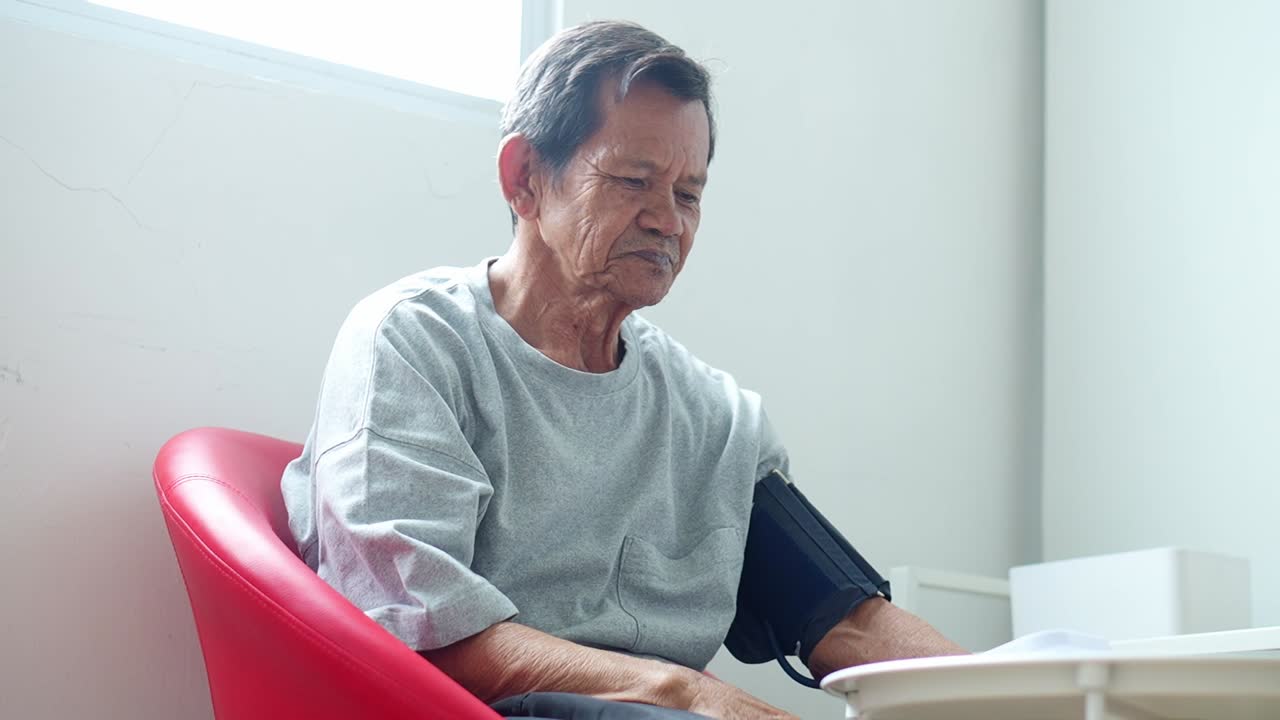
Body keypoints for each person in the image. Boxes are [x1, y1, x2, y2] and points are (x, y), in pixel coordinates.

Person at [281, 20, 964, 720]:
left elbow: (843, 616)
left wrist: (1021, 687)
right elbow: (419, 630)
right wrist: (686, 691)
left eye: (689, 194)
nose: (668, 221)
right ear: (524, 179)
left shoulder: (711, 418)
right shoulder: (415, 345)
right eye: (635, 180)